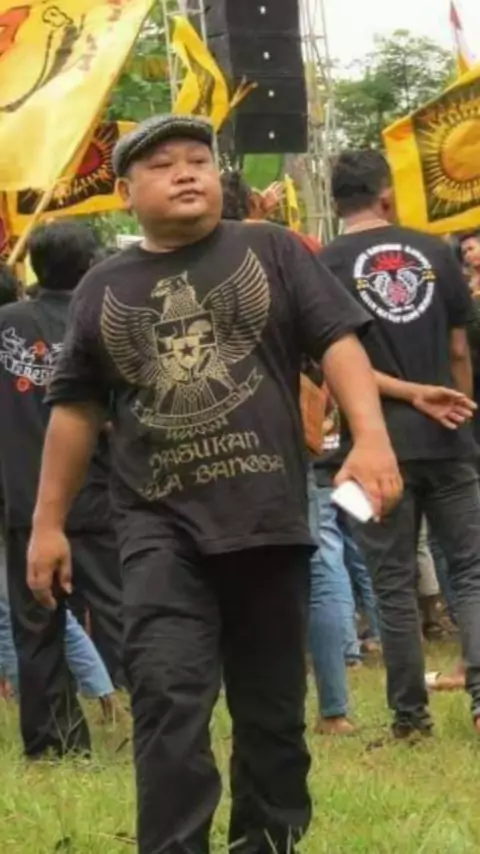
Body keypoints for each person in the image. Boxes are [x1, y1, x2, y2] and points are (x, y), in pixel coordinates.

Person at [28, 115, 401, 854]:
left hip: (266, 519)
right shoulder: (104, 287)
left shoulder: (270, 250)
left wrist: (372, 437)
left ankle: (268, 843)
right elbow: (74, 411)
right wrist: (47, 524)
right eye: (162, 164)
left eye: (198, 159)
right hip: (157, 527)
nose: (186, 172)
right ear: (125, 192)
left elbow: (336, 341)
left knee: (272, 713)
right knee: (168, 699)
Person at [318, 149, 480, 739]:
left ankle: (410, 719)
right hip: (448, 441)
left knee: (391, 583)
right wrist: (456, 411)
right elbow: (458, 350)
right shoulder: (437, 251)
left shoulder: (324, 265)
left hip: (372, 449)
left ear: (336, 201)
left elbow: (336, 364)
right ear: (386, 194)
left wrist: (404, 397)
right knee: (471, 571)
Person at [0, 221, 124, 759]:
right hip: (93, 493)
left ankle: (54, 742)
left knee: (37, 622)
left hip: (25, 496)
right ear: (92, 263)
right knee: (123, 611)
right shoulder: (104, 320)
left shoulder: (5, 323)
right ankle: (156, 718)